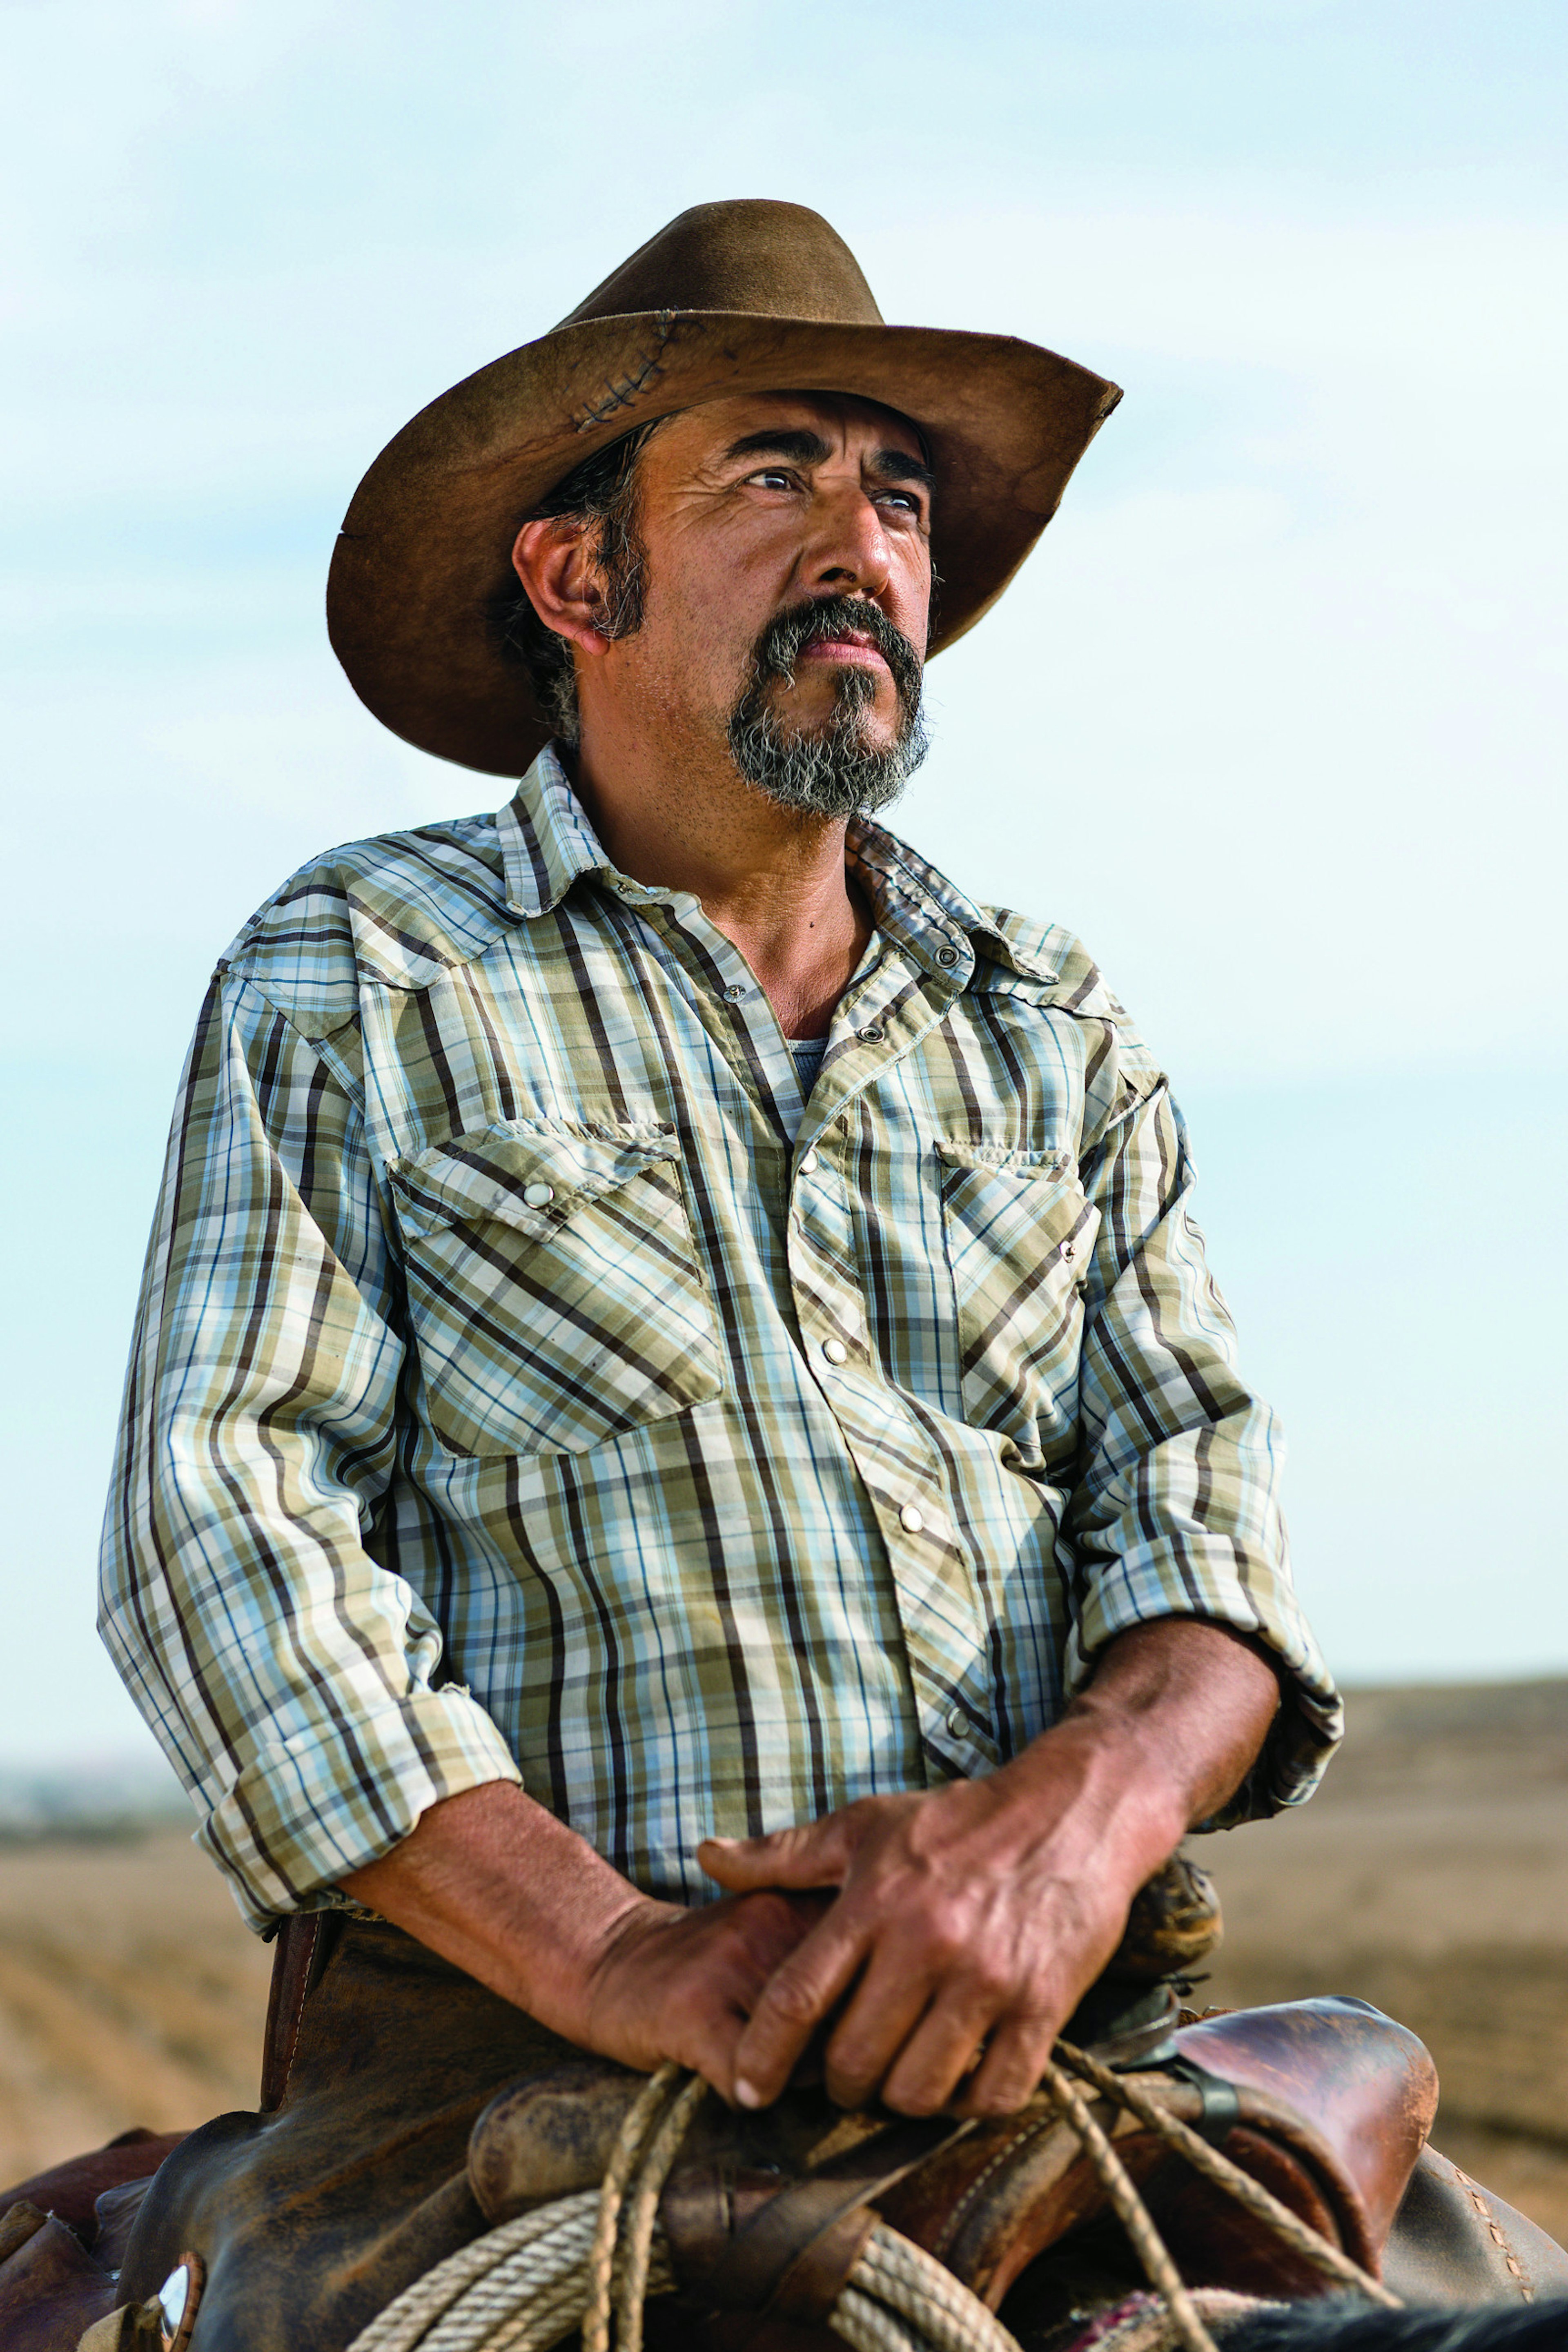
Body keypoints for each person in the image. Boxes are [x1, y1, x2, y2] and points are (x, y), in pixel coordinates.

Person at [101, 196, 1339, 2184]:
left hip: (1050, 2030)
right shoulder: (365, 969)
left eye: (904, 497)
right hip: (521, 2061)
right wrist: (615, 1953)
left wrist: (1073, 1826)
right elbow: (223, 1521)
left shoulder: (1053, 1026)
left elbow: (1202, 1498)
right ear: (579, 573)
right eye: (779, 475)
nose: (867, 547)